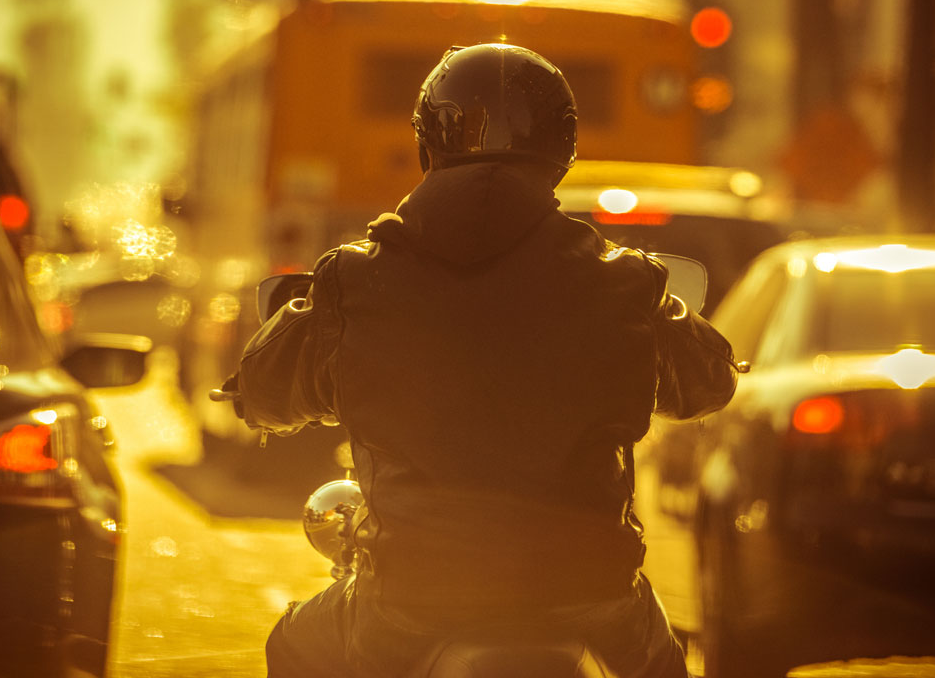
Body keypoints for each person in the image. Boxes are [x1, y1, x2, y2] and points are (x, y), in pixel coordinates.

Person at [227, 43, 738, 677]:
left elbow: (267, 394)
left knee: (294, 645)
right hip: (590, 591)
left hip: (411, 597)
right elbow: (710, 385)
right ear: (562, 149)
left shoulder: (355, 280)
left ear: (427, 143)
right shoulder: (624, 282)